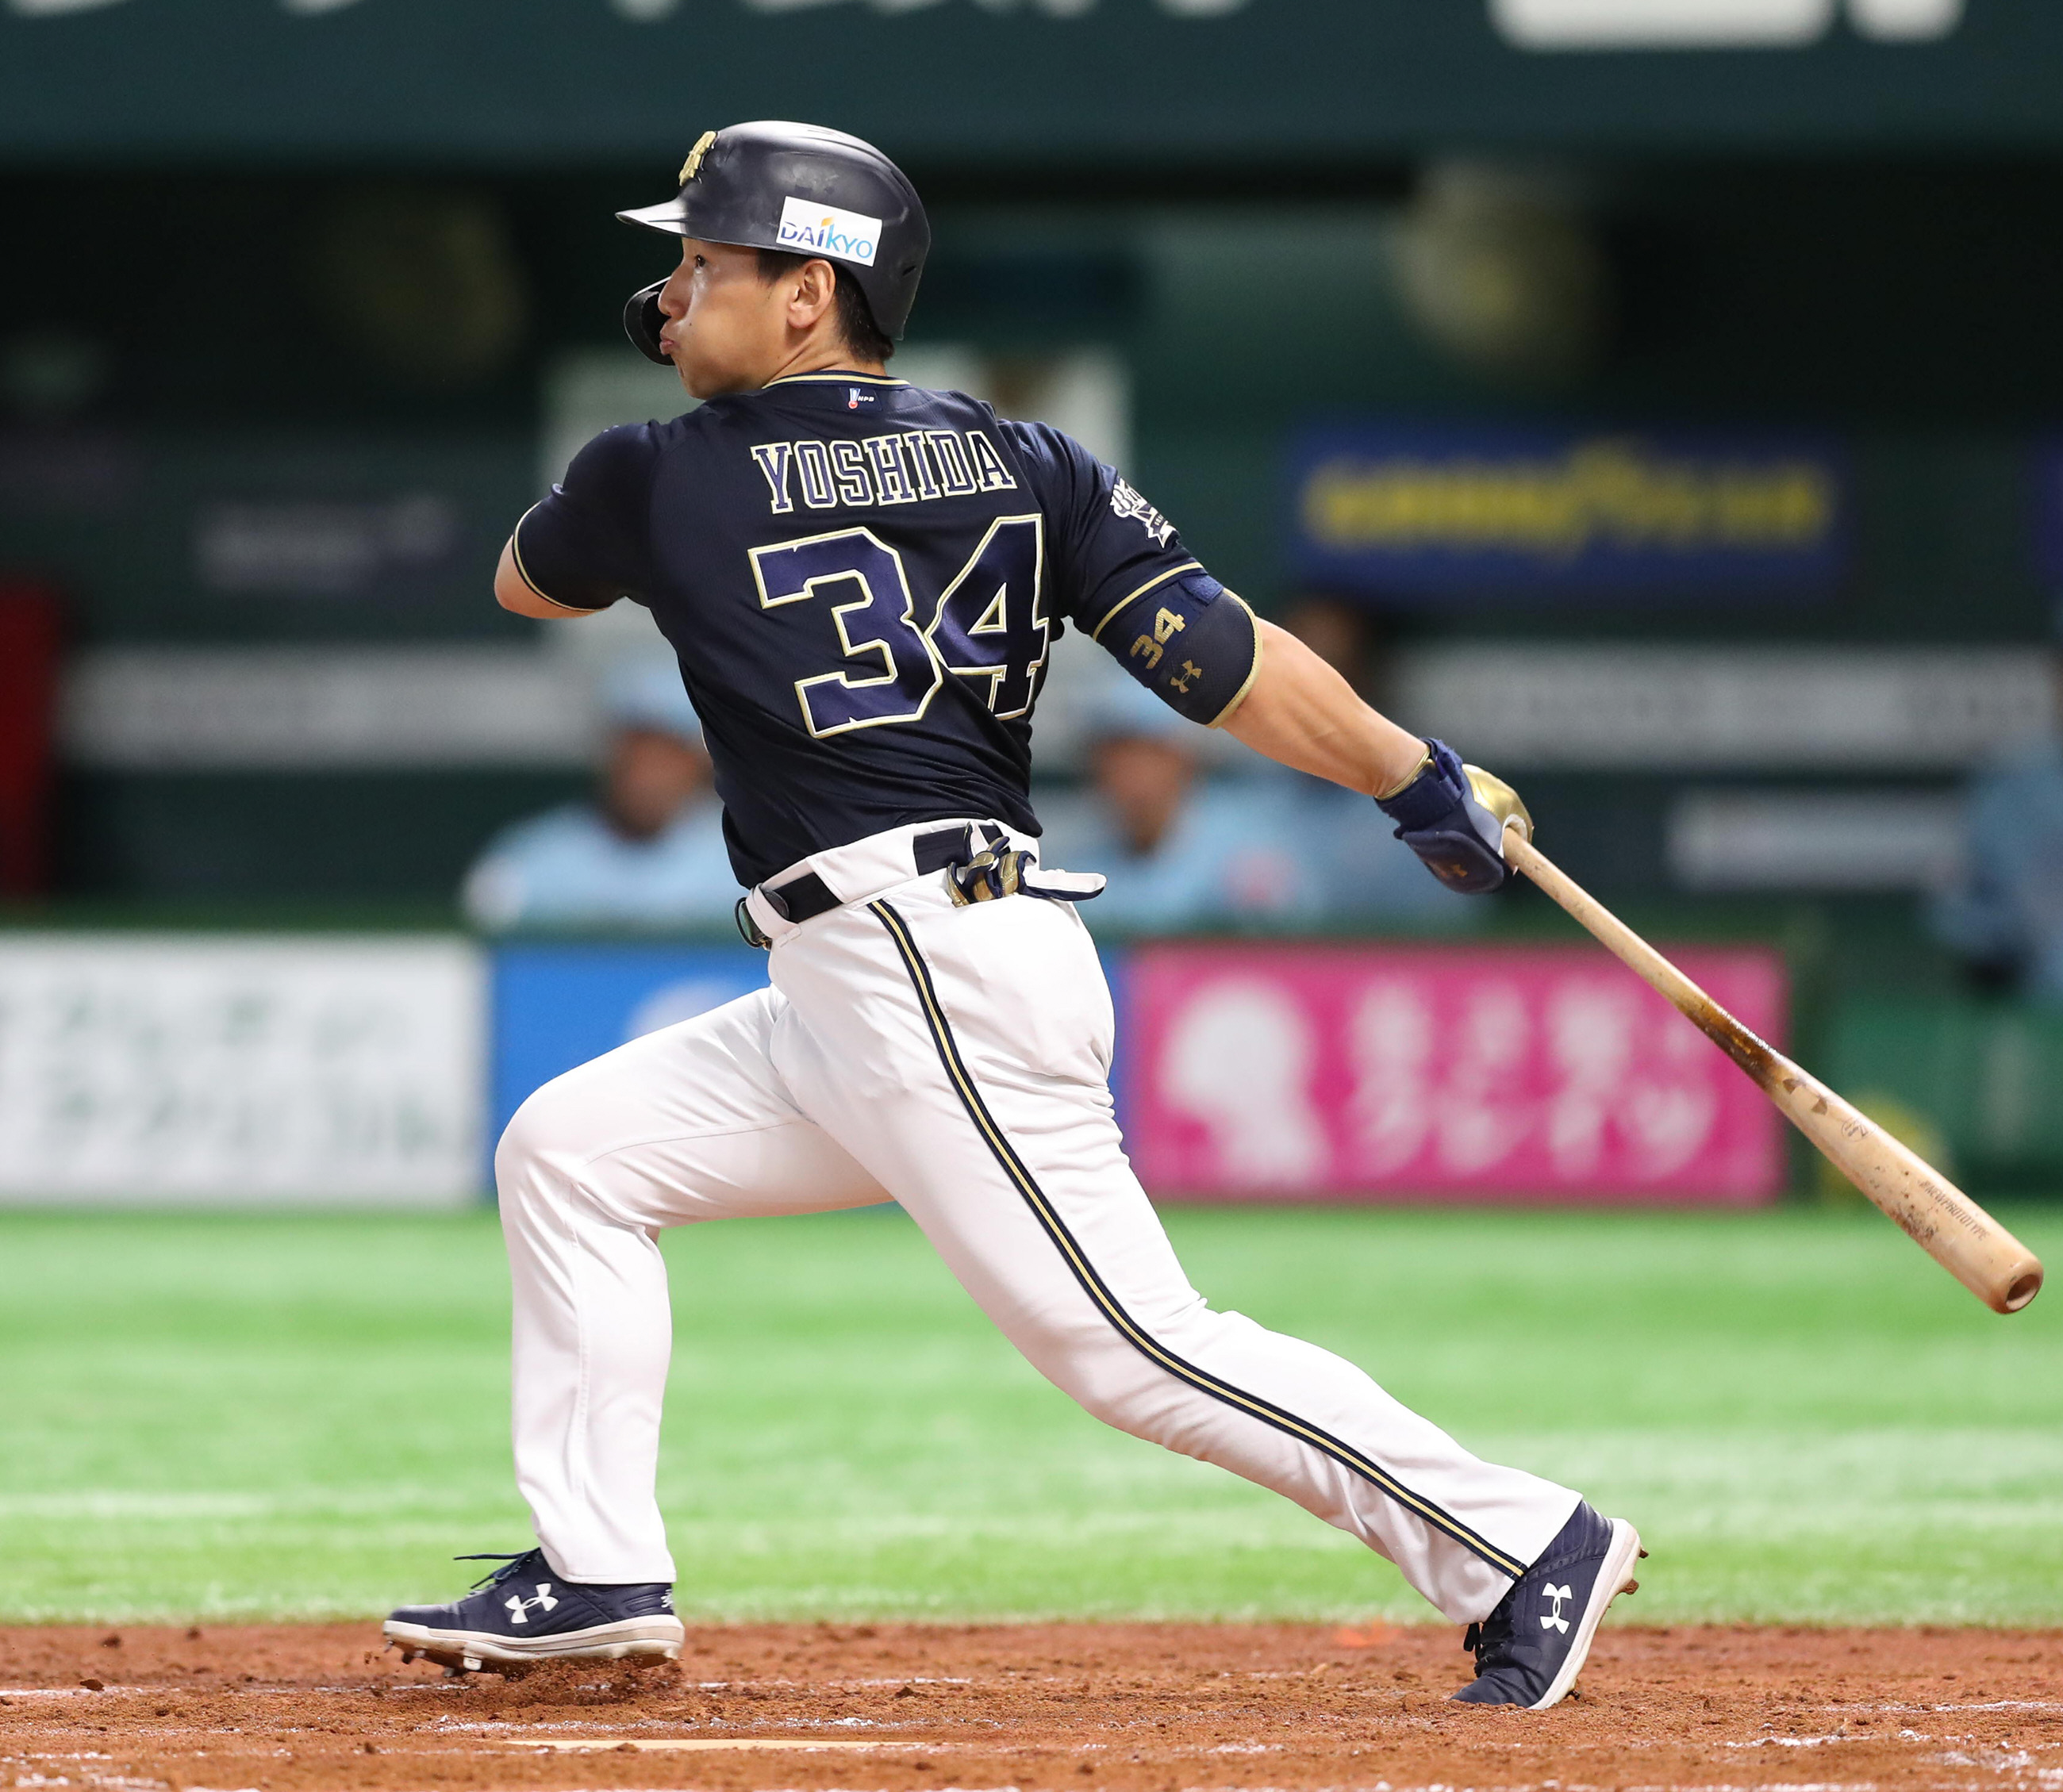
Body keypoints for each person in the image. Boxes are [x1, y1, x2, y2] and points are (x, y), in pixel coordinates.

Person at [382, 121, 1641, 1710]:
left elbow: (528, 580)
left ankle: (1520, 1540)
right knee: (570, 1152)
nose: (674, 290)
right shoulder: (1029, 460)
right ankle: (598, 1568)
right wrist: (1410, 773)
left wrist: (665, 358)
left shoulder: (656, 468)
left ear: (807, 294)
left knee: (1128, 1345)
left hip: (922, 960)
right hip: (891, 967)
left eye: (703, 263)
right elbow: (1219, 657)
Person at [459, 660, 739, 931]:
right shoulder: (525, 864)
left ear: (700, 760)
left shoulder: (740, 862)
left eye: (668, 753)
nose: (646, 772)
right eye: (634, 749)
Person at [1035, 679, 1316, 930]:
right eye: (1116, 755)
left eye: (1148, 753)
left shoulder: (1248, 856)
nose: (1130, 773)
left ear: (1183, 759)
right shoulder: (1079, 870)